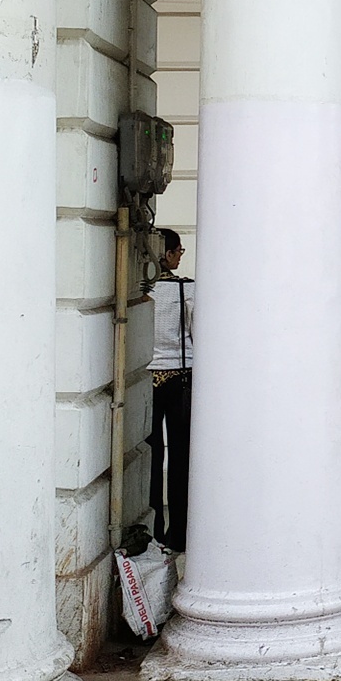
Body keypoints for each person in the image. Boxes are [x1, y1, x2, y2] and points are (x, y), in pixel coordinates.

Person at [149, 230, 194, 552]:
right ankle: (179, 532)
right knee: (181, 456)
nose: (180, 256)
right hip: (180, 377)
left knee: (151, 456)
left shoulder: (141, 289)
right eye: (178, 250)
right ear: (166, 254)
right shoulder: (185, 289)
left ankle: (152, 531)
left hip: (146, 379)